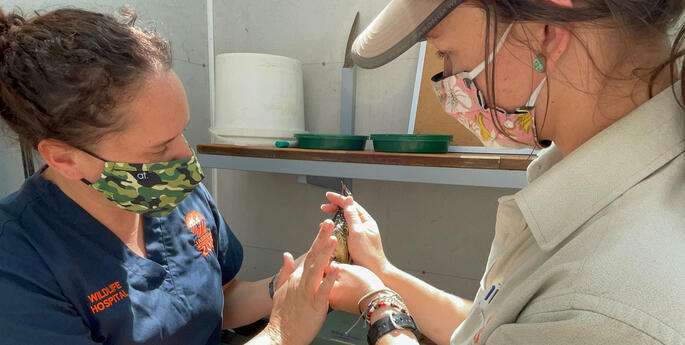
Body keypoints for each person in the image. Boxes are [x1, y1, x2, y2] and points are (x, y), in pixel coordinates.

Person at [324, 0, 685, 344]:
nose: (448, 81)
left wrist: (381, 307)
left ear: (546, 29)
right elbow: (494, 331)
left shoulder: (607, 307)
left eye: (447, 53)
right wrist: (381, 272)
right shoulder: (614, 175)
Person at [0, 7, 340, 345]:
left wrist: (289, 284)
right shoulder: (20, 263)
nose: (185, 159)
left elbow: (219, 303)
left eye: (182, 132)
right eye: (159, 149)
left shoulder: (172, 192)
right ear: (65, 159)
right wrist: (282, 334)